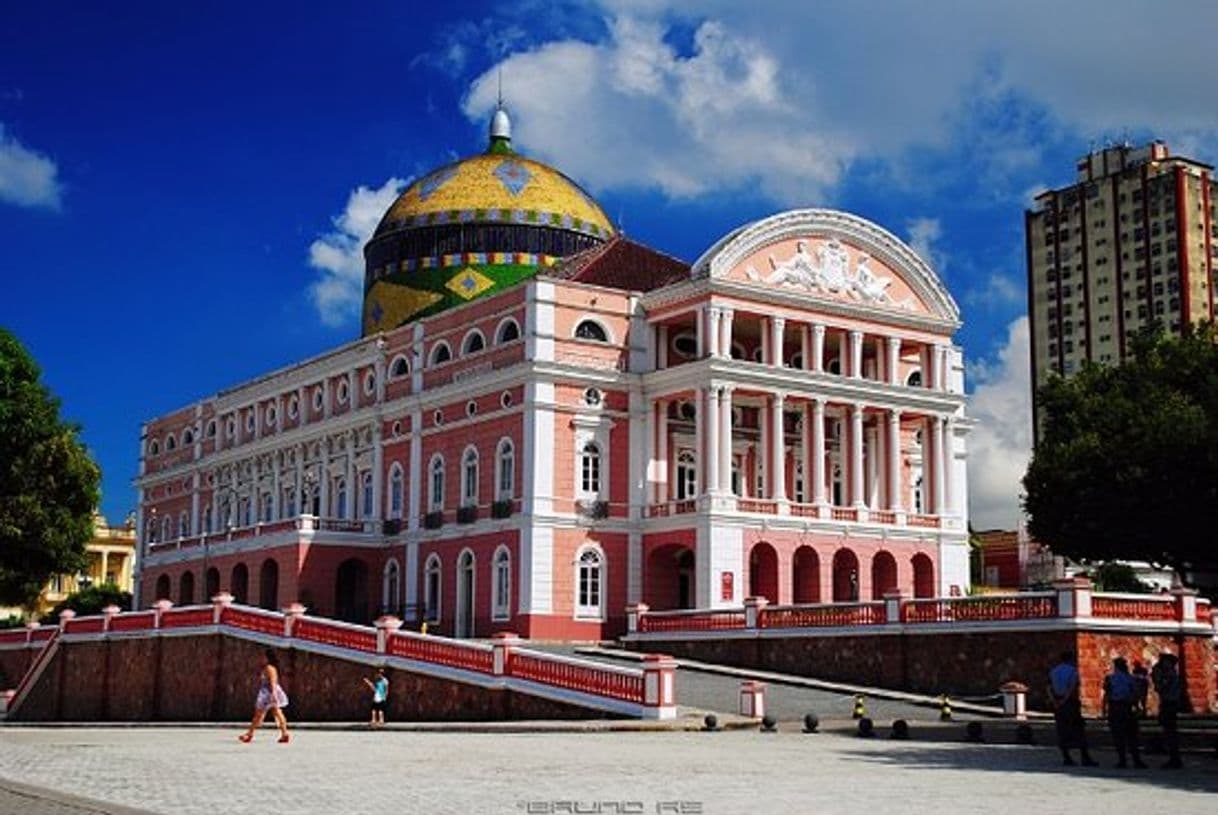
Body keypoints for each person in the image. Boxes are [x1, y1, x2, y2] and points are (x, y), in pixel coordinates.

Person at [1047, 651, 1097, 767]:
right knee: (1078, 730)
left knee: (1062, 730)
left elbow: (1048, 687)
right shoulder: (1072, 671)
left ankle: (1066, 757)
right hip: (1070, 702)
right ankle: (1085, 757)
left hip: (1057, 701)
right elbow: (1072, 687)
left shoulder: (1054, 671)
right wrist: (1064, 700)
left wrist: (1054, 701)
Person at [238, 648, 291, 744]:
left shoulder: (269, 668)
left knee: (259, 714)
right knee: (277, 713)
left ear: (267, 657)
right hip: (270, 692)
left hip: (268, 693)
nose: (261, 658)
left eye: (263, 656)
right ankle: (284, 734)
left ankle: (249, 734)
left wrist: (273, 694)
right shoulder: (271, 668)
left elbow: (273, 682)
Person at [1102, 657, 1146, 768]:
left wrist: (1104, 708)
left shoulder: (1110, 678)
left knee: (1118, 735)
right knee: (1131, 734)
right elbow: (1136, 693)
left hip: (1115, 707)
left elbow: (1107, 694)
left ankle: (1122, 760)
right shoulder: (1130, 678)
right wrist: (1137, 706)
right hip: (1127, 706)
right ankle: (1136, 759)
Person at [1151, 652, 1183, 769]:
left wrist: (1158, 677)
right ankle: (1174, 757)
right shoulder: (1173, 675)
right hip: (1170, 703)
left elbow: (1160, 688)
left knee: (1170, 731)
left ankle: (1174, 758)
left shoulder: (1170, 676)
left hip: (1169, 704)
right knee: (1169, 731)